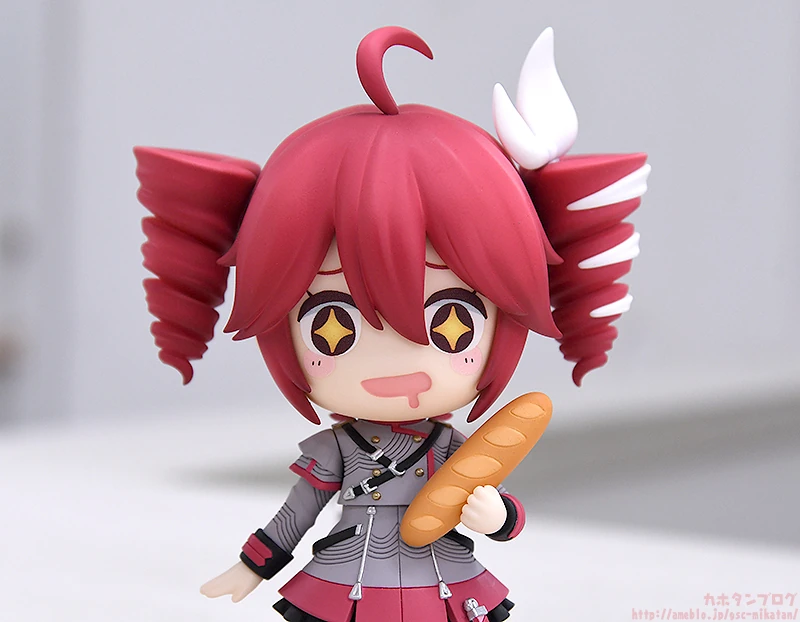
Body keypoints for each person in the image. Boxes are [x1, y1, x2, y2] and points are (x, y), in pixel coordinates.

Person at [135, 25, 649, 622]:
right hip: (346, 584)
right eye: (332, 325)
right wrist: (251, 567)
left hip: (443, 581)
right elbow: (296, 515)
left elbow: (504, 509)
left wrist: (495, 516)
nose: (399, 356)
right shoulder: (337, 450)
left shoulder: (452, 450)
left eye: (452, 321)